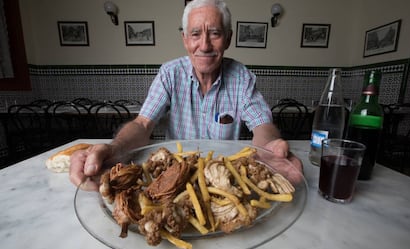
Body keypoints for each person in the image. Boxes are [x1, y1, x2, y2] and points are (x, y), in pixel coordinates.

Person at [69, 0, 303, 189]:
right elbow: (142, 125)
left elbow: (262, 125)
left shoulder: (241, 77)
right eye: (195, 34)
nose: (205, 45)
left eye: (214, 33)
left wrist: (270, 148)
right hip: (175, 180)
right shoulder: (169, 74)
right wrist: (113, 149)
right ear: (184, 39)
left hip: (225, 181)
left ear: (228, 39)